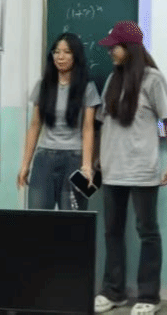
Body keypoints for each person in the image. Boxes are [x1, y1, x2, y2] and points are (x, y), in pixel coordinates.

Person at [93, 20, 167, 315]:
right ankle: (113, 291)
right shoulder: (112, 80)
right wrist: (97, 160)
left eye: (114, 47)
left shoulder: (153, 79)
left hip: (142, 169)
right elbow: (103, 124)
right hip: (112, 169)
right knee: (112, 231)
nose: (110, 52)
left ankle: (149, 296)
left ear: (129, 48)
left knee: (147, 232)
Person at [18, 32, 101, 210]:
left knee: (72, 218)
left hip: (74, 159)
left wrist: (87, 166)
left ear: (76, 56)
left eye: (66, 52)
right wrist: (25, 164)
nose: (60, 57)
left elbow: (88, 128)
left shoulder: (87, 87)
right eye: (56, 52)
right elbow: (35, 126)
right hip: (44, 158)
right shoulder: (43, 86)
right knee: (38, 216)